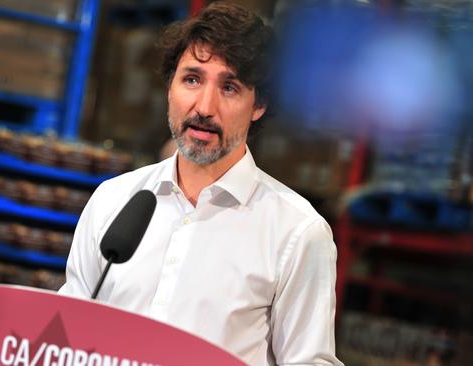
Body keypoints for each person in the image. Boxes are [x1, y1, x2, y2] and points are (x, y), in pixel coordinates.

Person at [59, 2, 343, 365]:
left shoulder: (297, 232)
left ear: (259, 105)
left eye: (229, 87)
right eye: (192, 79)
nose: (205, 107)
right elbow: (64, 333)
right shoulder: (112, 201)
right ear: (170, 87)